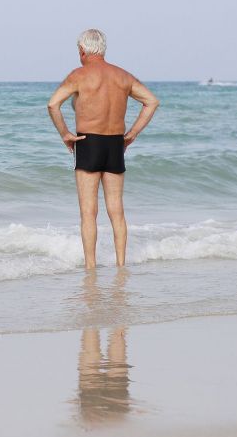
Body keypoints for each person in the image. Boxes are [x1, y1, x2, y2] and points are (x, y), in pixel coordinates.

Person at [47, 29, 159, 269]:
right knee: (116, 210)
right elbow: (151, 101)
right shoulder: (123, 76)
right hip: (115, 144)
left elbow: (53, 104)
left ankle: (91, 268)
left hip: (88, 142)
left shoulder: (78, 75)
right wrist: (131, 135)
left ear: (82, 50)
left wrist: (66, 134)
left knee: (89, 212)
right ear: (103, 49)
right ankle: (121, 266)